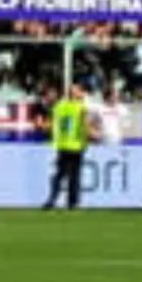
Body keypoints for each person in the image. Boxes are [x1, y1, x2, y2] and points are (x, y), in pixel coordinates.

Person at [44, 82, 91, 211]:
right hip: (75, 145)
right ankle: (72, 203)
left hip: (63, 144)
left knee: (60, 175)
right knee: (74, 176)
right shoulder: (81, 107)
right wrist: (89, 136)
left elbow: (51, 123)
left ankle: (52, 200)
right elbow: (85, 125)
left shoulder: (60, 106)